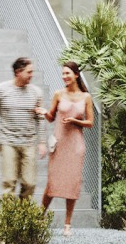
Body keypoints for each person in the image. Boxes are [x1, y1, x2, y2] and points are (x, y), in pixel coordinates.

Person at [40, 62, 95, 230]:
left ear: (76, 75)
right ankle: (38, 217)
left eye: (67, 73)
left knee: (73, 183)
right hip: (59, 143)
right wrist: (44, 113)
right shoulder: (58, 94)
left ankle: (67, 223)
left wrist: (75, 121)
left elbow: (90, 122)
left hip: (75, 145)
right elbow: (51, 117)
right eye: (63, 74)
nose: (64, 77)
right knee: (52, 182)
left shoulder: (86, 97)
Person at [0, 57, 45, 200]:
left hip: (29, 143)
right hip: (8, 143)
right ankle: (10, 220)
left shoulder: (36, 92)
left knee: (30, 183)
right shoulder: (1, 90)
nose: (32, 75)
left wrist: (42, 142)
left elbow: (40, 119)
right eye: (29, 72)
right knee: (9, 182)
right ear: (18, 72)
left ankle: (23, 215)